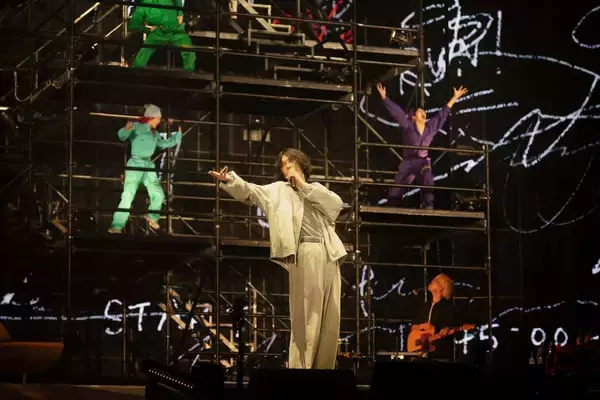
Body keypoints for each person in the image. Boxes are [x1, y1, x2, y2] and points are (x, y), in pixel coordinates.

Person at [209, 148, 347, 369]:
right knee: (307, 316)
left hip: (330, 253)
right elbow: (251, 191)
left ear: (301, 163)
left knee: (331, 319)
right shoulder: (278, 190)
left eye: (290, 161)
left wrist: (302, 186)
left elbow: (336, 205)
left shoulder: (316, 189)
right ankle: (301, 370)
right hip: (306, 252)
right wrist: (230, 180)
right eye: (283, 164)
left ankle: (324, 373)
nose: (286, 166)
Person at [376, 83, 468, 209]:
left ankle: (428, 204)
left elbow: (443, 114)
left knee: (427, 176)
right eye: (420, 111)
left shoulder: (431, 127)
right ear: (414, 117)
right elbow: (398, 114)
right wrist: (385, 98)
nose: (423, 112)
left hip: (423, 160)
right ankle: (392, 204)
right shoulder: (408, 126)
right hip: (408, 161)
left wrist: (455, 97)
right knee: (399, 184)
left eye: (423, 111)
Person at [108, 104, 183, 234]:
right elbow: (122, 136)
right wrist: (126, 129)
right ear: (151, 117)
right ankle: (117, 225)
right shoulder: (136, 126)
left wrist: (178, 136)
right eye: (157, 118)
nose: (159, 121)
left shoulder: (155, 133)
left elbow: (164, 144)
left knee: (158, 194)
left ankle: (152, 216)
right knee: (128, 195)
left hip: (148, 165)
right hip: (135, 164)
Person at [128, 0, 196, 72]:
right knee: (144, 52)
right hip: (158, 33)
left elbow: (178, 1)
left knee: (189, 51)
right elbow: (133, 26)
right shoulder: (143, 7)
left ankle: (189, 75)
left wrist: (180, 13)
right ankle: (135, 73)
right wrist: (149, 29)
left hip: (176, 30)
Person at [411, 273, 456, 360]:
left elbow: (451, 328)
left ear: (441, 287)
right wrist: (421, 326)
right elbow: (413, 327)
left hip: (439, 355)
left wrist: (435, 329)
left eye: (436, 281)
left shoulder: (448, 308)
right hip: (422, 354)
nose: (431, 281)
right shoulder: (425, 305)